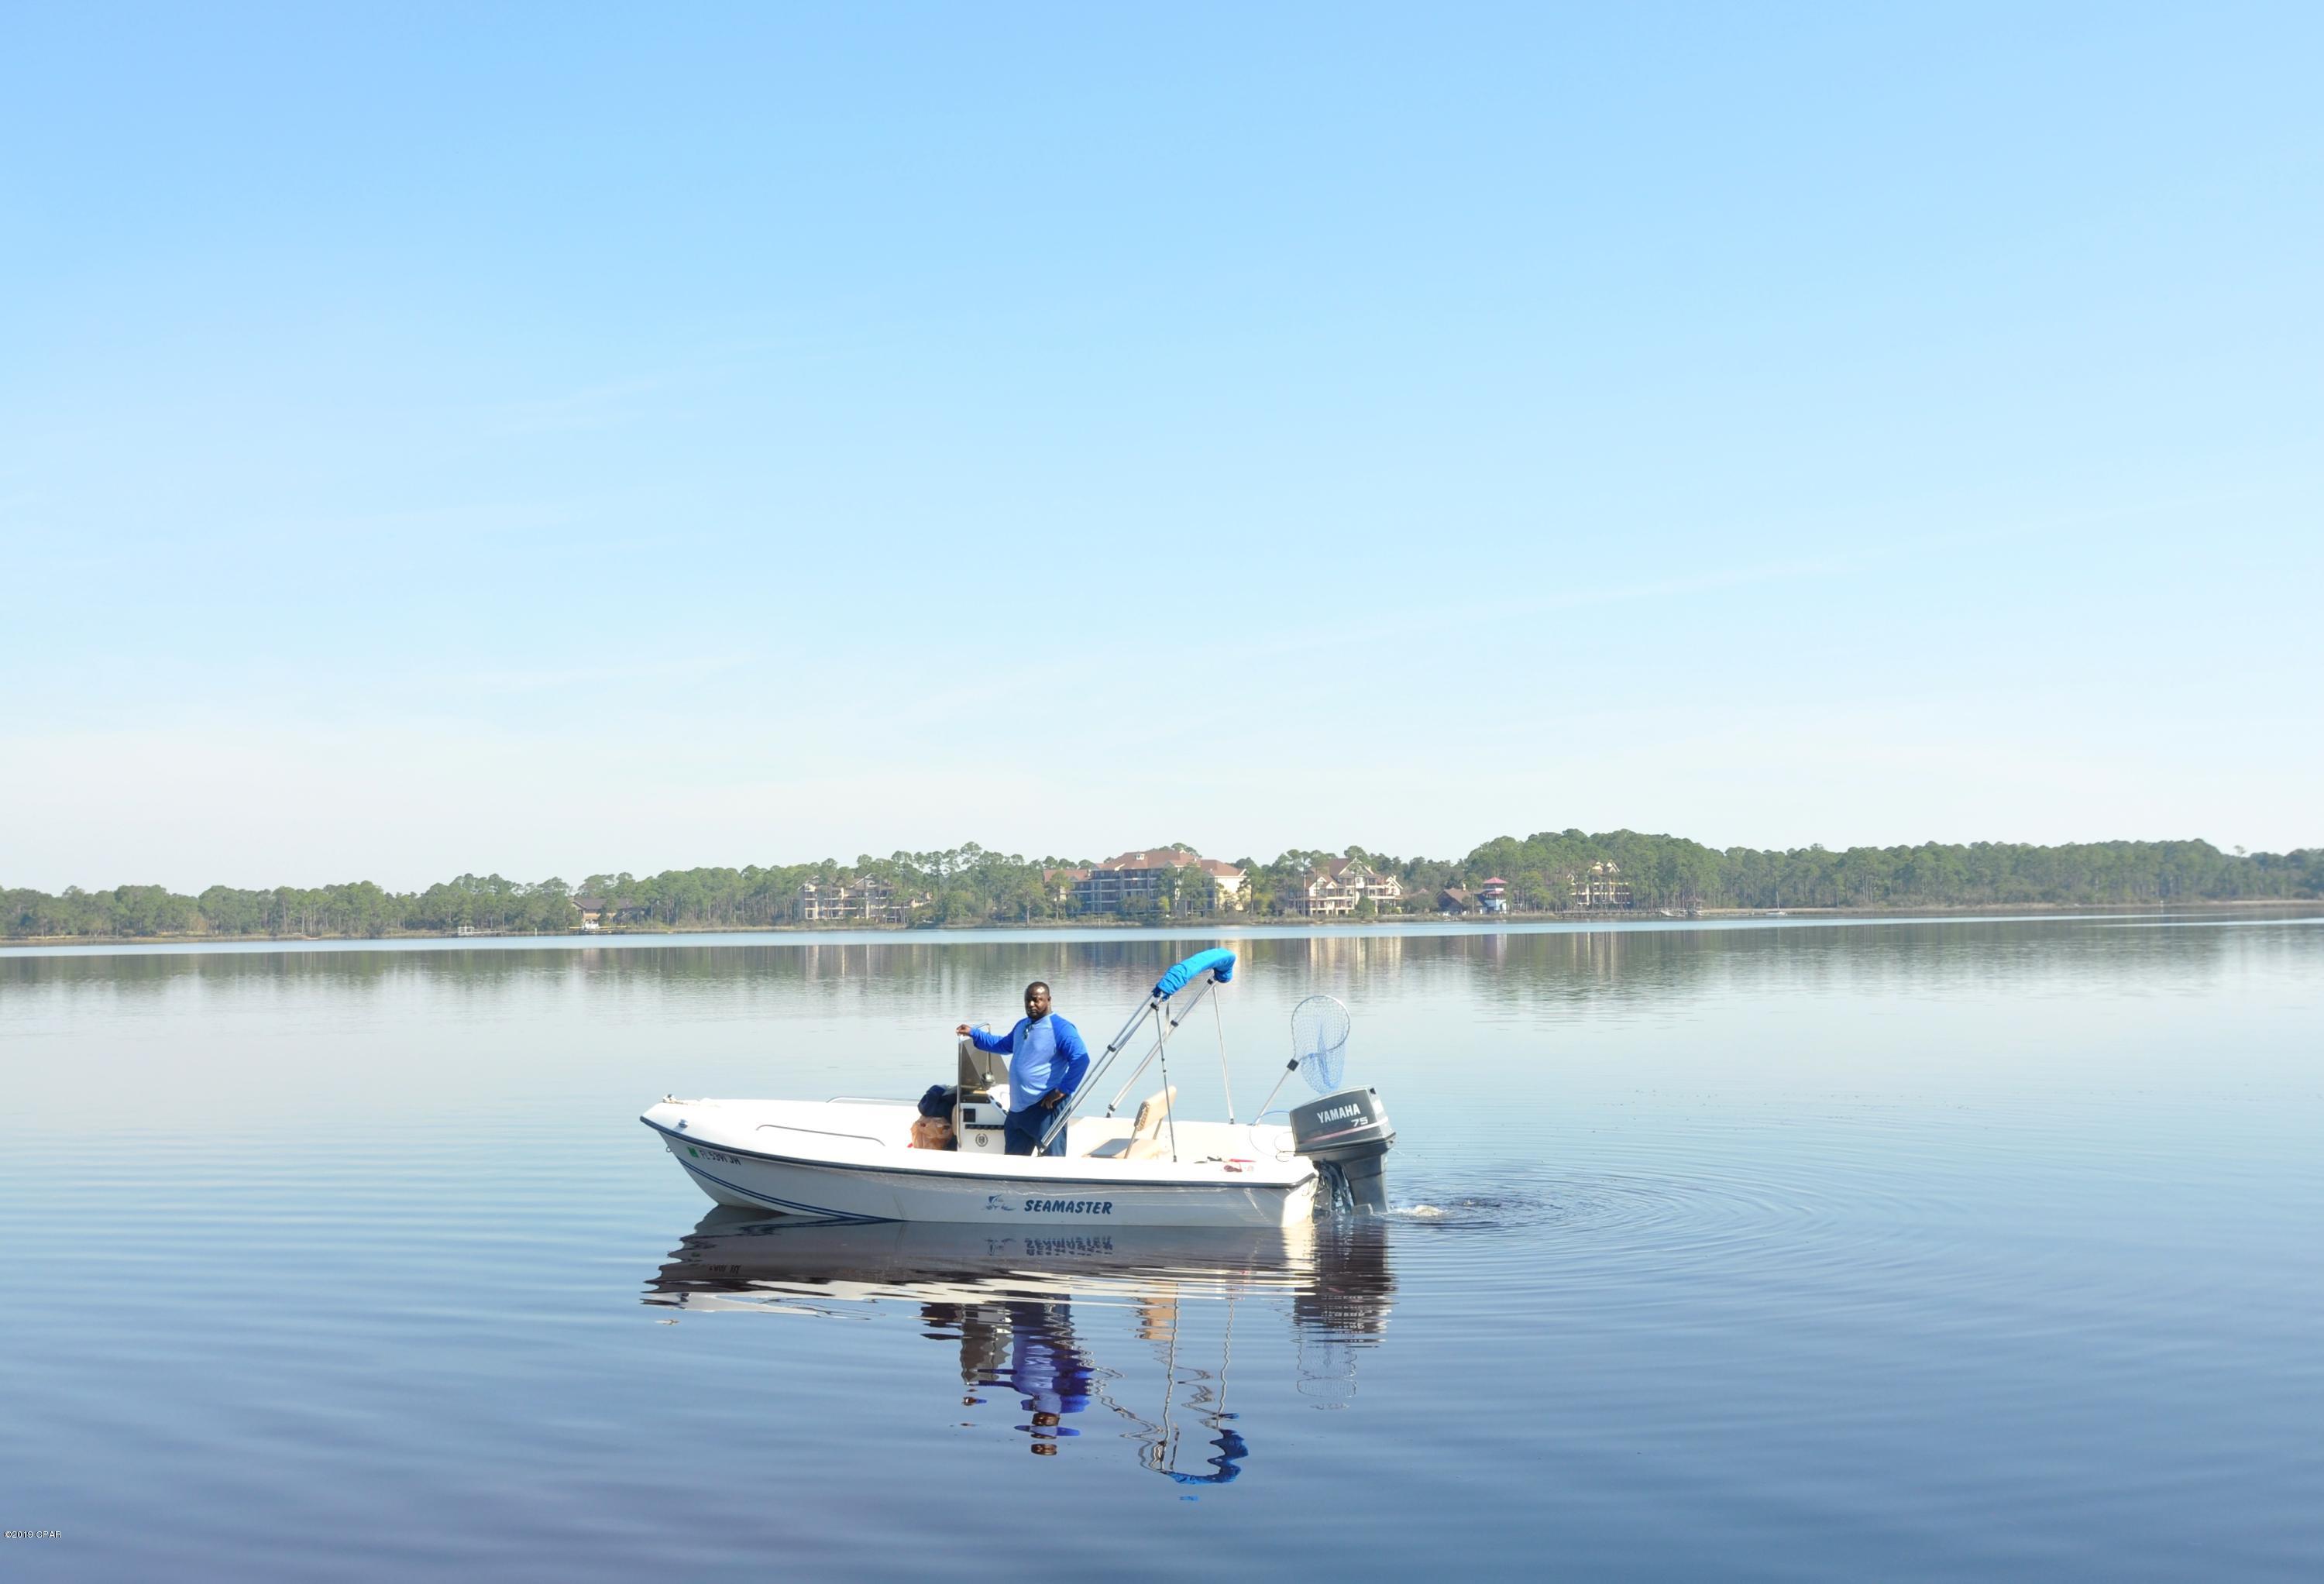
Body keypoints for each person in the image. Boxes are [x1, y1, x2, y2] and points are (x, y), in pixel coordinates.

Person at [954, 981, 1088, 1156]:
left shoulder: (1061, 1029)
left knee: (1052, 1163)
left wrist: (1062, 1090)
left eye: (1036, 1000)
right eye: (1027, 1000)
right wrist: (974, 1033)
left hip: (1045, 1107)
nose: (1031, 1004)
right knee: (1013, 1164)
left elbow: (1081, 1060)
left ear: (1048, 1000)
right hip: (1018, 1110)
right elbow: (1003, 1045)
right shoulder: (1022, 1025)